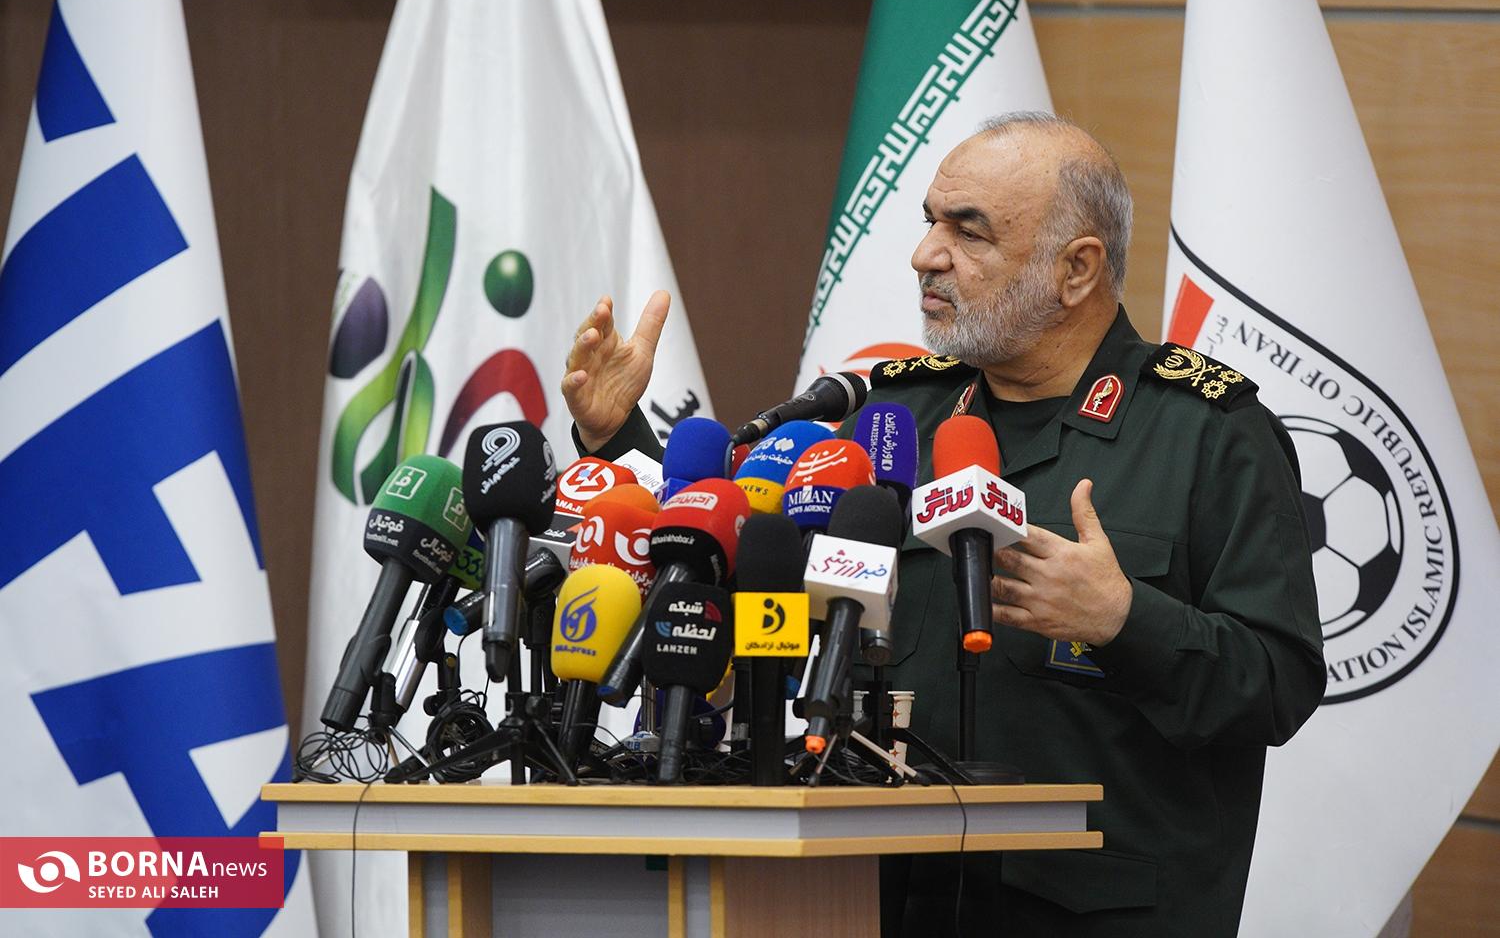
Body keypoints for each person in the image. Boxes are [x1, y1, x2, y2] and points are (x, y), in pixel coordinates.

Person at [560, 112, 1324, 937]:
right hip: (870, 899)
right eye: (930, 221)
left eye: (969, 231)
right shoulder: (895, 421)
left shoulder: (1207, 434)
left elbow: (1278, 685)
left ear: (1076, 269)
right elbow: (745, 555)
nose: (926, 253)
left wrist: (1123, 619)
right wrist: (617, 438)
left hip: (1090, 914)